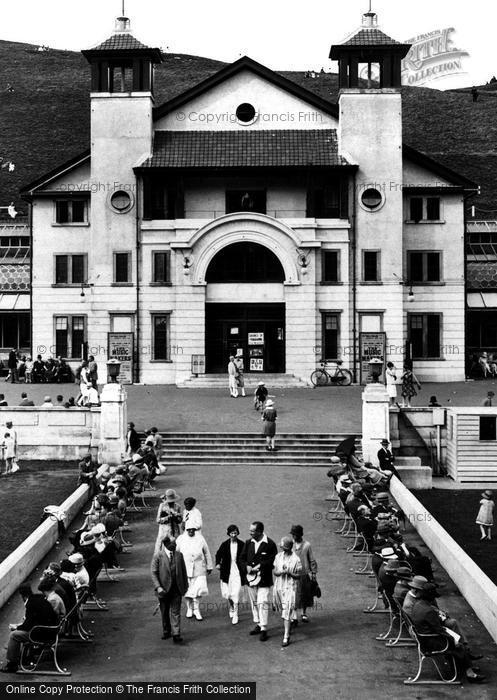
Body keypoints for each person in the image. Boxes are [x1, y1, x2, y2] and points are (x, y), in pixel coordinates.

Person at [403, 577, 485, 683]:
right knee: (458, 644)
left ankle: (467, 667)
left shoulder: (418, 605)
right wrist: (453, 639)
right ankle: (470, 673)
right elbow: (439, 630)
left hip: (424, 637)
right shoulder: (428, 611)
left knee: (457, 640)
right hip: (431, 641)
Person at [0, 583, 58, 673]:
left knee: (14, 635)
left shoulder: (30, 604)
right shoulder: (39, 598)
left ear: (23, 596)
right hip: (50, 630)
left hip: (43, 634)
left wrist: (16, 627)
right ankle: (23, 657)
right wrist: (20, 626)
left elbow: (27, 626)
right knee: (19, 632)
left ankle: (12, 664)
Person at [240, 521, 278, 642]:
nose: (250, 532)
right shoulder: (248, 543)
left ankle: (264, 629)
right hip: (251, 580)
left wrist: (259, 567)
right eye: (250, 530)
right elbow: (241, 558)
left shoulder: (270, 544)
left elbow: (273, 561)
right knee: (254, 603)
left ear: (260, 531)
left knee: (263, 602)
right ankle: (258, 623)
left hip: (264, 580)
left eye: (252, 531)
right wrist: (246, 566)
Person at [151, 535, 188, 643]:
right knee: (165, 611)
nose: (176, 545)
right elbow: (153, 573)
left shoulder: (179, 555)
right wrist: (158, 587)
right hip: (163, 590)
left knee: (175, 612)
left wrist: (185, 586)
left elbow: (183, 572)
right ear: (166, 544)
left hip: (176, 589)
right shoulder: (158, 556)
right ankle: (167, 631)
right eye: (173, 543)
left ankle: (176, 634)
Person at [176, 520, 213, 621]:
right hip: (185, 568)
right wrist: (176, 567)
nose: (191, 531)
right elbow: (176, 554)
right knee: (187, 590)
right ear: (186, 529)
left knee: (197, 590)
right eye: (189, 530)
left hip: (199, 568)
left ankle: (196, 610)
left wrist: (209, 566)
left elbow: (207, 552)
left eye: (193, 530)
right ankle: (189, 608)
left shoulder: (200, 538)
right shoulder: (181, 539)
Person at [273, 536, 302, 647]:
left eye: (285, 548)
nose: (283, 550)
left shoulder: (296, 559)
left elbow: (299, 575)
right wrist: (280, 572)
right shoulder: (278, 557)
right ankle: (291, 622)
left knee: (287, 611)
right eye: (282, 547)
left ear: (289, 548)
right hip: (279, 586)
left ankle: (286, 636)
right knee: (282, 608)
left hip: (290, 587)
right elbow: (275, 572)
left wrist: (290, 573)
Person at [215, 524, 247, 625]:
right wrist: (217, 564)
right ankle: (232, 607)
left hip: (237, 572)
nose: (233, 535)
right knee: (228, 593)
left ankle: (236, 614)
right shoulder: (224, 544)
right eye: (232, 533)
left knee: (236, 593)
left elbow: (246, 557)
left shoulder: (242, 544)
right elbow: (218, 554)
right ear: (228, 534)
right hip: (226, 572)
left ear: (237, 533)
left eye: (235, 533)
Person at [290, 524, 317, 623]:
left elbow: (312, 560)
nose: (293, 536)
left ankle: (304, 613)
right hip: (293, 573)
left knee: (305, 594)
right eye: (292, 534)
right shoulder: (290, 544)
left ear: (300, 535)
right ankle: (294, 615)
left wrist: (313, 573)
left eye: (295, 534)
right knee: (293, 595)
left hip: (304, 573)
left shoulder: (307, 545)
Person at [155, 489, 182, 554]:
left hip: (175, 533)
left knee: (177, 552)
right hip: (164, 532)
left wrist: (175, 517)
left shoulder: (177, 507)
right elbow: (158, 520)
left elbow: (180, 520)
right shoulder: (162, 506)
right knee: (159, 552)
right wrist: (167, 517)